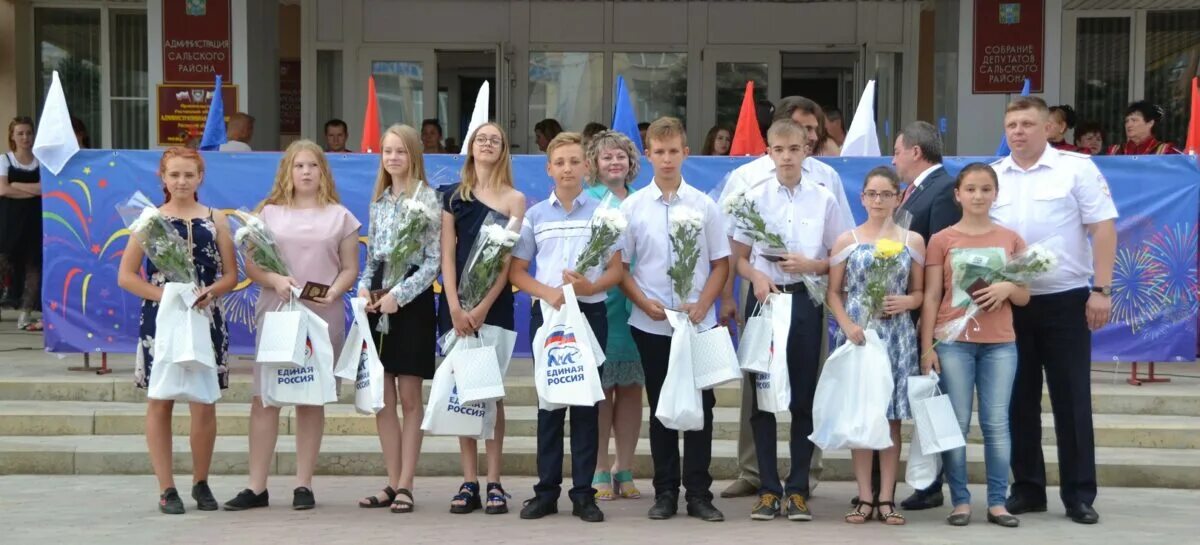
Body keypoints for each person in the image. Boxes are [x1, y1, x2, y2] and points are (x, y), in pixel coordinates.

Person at [717, 95, 855, 500]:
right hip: (764, 301)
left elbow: (840, 253)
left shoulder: (824, 194)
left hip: (806, 301)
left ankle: (797, 485)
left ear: (807, 149)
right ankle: (766, 485)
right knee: (761, 393)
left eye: (795, 149)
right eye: (779, 150)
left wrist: (813, 266)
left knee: (802, 394)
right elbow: (738, 257)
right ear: (768, 151)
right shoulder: (753, 194)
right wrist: (756, 275)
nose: (787, 157)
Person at [993, 96, 1117, 525]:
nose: (1018, 132)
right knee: (1017, 401)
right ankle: (1027, 489)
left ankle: (1080, 494)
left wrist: (1101, 289)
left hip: (1065, 301)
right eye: (1011, 124)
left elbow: (1102, 228)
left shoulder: (1076, 169)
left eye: (1027, 123)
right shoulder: (992, 178)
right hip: (1010, 303)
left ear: (1048, 128)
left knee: (1071, 400)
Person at [224, 139, 361, 512]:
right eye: (298, 165)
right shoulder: (267, 214)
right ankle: (256, 487)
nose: (305, 172)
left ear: (323, 172)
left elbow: (350, 268)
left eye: (312, 166)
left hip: (321, 314)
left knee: (310, 397)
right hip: (278, 312)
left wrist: (334, 291)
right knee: (266, 398)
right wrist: (274, 280)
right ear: (287, 170)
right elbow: (252, 266)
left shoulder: (341, 216)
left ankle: (304, 484)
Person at [620, 116, 728, 523]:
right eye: (659, 152)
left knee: (703, 407)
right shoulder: (632, 208)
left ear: (686, 152)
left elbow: (721, 264)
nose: (667, 159)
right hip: (651, 324)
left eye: (673, 151)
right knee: (662, 407)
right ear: (647, 155)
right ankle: (664, 491)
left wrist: (703, 303)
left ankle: (699, 493)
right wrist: (643, 301)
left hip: (697, 323)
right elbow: (622, 267)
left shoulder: (705, 206)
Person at [117, 147, 237, 514]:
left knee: (204, 401)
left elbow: (231, 276)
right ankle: (166, 488)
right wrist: (168, 297)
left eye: (189, 175)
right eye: (175, 175)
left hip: (205, 317)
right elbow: (126, 277)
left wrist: (209, 293)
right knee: (161, 399)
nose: (182, 181)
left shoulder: (216, 218)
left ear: (200, 177)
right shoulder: (149, 221)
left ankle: (201, 482)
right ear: (163, 178)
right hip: (162, 321)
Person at [510, 132, 622, 523]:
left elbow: (617, 269)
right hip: (549, 317)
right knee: (550, 405)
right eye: (560, 162)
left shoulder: (602, 213)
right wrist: (548, 293)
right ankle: (546, 492)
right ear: (549, 169)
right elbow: (517, 271)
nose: (568, 168)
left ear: (586, 167)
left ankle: (583, 494)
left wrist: (589, 286)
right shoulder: (536, 215)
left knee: (587, 405)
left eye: (575, 161)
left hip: (589, 315)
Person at [920, 163, 1028, 528]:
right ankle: (960, 500)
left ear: (996, 193)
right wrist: (927, 346)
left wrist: (1008, 288)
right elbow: (933, 295)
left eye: (985, 189)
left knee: (997, 423)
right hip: (953, 344)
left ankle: (998, 501)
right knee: (957, 423)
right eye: (971, 189)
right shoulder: (942, 239)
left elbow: (1025, 296)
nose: (978, 196)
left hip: (1000, 344)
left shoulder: (1011, 238)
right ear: (958, 194)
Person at [827, 167, 924, 526]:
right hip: (859, 337)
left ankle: (887, 497)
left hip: (896, 337)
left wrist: (908, 303)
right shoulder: (846, 240)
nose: (879, 200)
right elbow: (833, 292)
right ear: (862, 197)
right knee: (861, 416)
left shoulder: (912, 240)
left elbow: (920, 291)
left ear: (898, 197)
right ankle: (864, 497)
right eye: (872, 194)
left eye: (886, 194)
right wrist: (848, 324)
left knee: (891, 419)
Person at [439, 121, 526, 515]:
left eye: (495, 140)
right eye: (481, 139)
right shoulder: (452, 197)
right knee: (463, 390)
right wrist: (456, 305)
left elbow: (505, 265)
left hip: (494, 306)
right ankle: (469, 480)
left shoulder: (514, 200)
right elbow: (447, 255)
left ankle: (495, 481)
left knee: (490, 391)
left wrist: (482, 307)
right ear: (470, 146)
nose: (487, 144)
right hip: (456, 307)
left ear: (503, 150)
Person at [355, 124, 441, 513]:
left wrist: (398, 297)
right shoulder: (380, 202)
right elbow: (374, 257)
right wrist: (363, 287)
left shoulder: (430, 200)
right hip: (377, 305)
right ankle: (391, 481)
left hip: (412, 305)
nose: (393, 158)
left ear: (413, 156)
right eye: (387, 151)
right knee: (382, 398)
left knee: (409, 397)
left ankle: (407, 483)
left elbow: (432, 262)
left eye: (400, 151)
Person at [892, 120, 959, 511]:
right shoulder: (914, 191)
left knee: (935, 400)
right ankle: (922, 480)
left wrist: (931, 325)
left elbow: (942, 263)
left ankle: (933, 484)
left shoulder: (943, 191)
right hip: (906, 315)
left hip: (929, 316)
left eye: (897, 151)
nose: (894, 159)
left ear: (915, 152)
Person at [584, 130, 644, 502]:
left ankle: (626, 466)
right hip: (601, 300)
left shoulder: (644, 201)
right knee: (602, 391)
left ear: (631, 162)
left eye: (620, 156)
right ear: (594, 164)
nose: (614, 162)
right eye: (607, 157)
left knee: (632, 389)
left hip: (638, 303)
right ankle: (600, 467)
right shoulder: (588, 201)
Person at [0, 117, 43, 331]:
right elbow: (3, 189)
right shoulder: (5, 160)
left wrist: (17, 184)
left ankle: (25, 314)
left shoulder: (40, 161)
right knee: (4, 262)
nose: (25, 137)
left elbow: (46, 189)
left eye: (29, 133)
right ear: (12, 136)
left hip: (35, 221)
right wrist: (31, 189)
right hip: (9, 220)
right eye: (20, 133)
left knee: (33, 266)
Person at [1107, 101, 1180, 155]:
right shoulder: (1114, 151)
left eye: (1134, 120)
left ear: (1150, 123)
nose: (1129, 125)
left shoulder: (1166, 151)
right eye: (1127, 121)